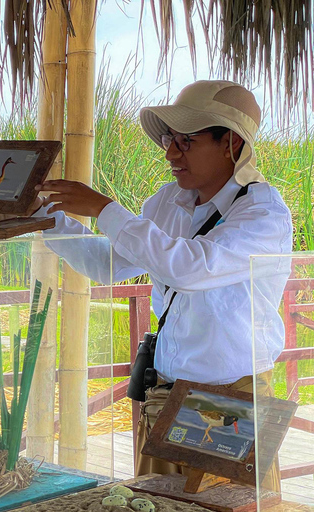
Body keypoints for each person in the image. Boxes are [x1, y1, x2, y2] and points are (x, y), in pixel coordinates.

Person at [33, 80, 292, 481]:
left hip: (230, 400)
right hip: (167, 394)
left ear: (231, 143)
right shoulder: (166, 202)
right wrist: (47, 219)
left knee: (223, 504)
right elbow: (109, 264)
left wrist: (104, 209)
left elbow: (189, 268)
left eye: (186, 141)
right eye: (170, 139)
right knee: (158, 504)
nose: (170, 152)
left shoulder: (262, 214)